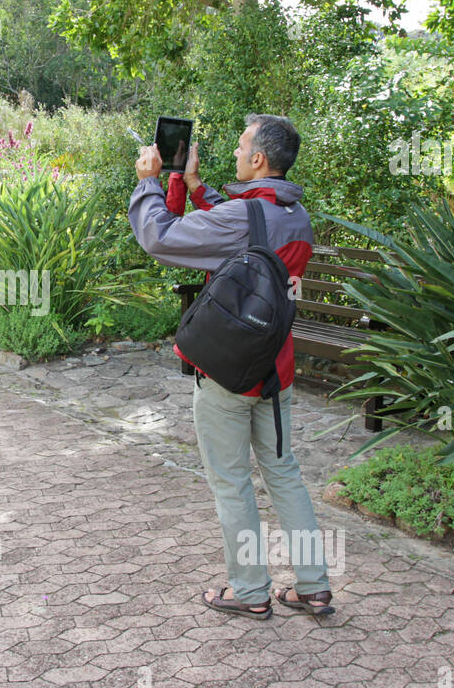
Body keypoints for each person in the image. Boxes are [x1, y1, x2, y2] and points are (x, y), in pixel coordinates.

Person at [129, 114, 334, 620]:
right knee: (284, 473)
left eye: (243, 147)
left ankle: (249, 592)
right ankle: (313, 586)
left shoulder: (244, 216)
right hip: (276, 366)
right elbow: (244, 229)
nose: (237, 153)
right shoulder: (295, 214)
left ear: (258, 159)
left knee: (232, 481)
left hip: (227, 369)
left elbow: (161, 238)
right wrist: (193, 183)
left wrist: (150, 181)